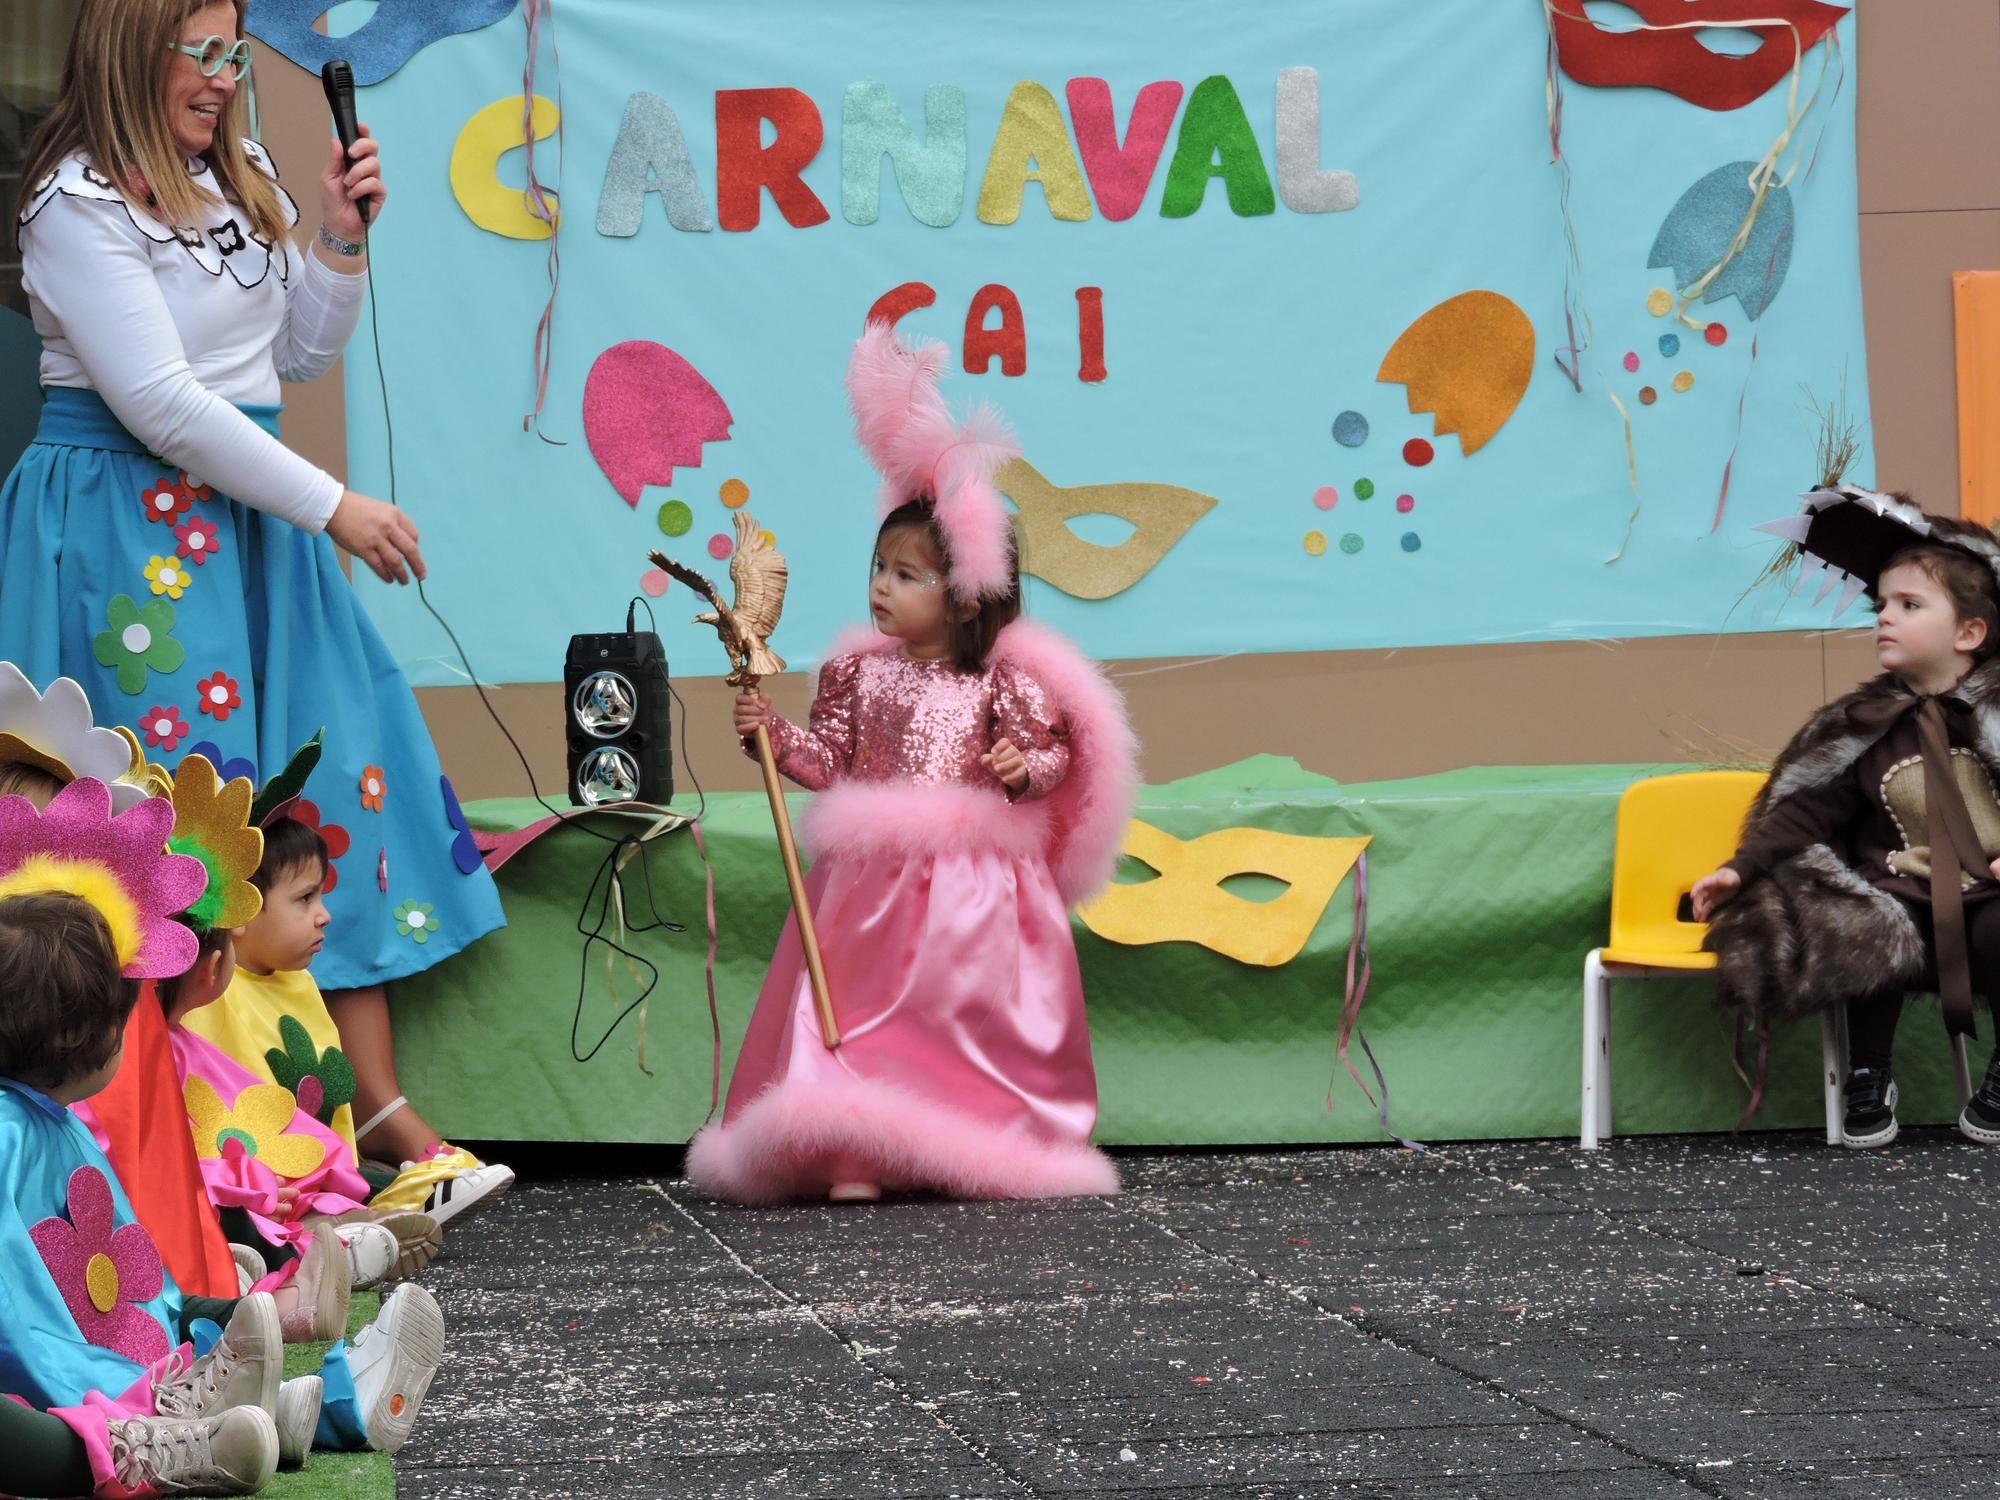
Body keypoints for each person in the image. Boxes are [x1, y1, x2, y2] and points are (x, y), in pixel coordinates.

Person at [0, 0, 507, 1191]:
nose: (225, 78)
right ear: (134, 48)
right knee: (177, 831)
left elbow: (290, 359)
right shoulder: (76, 203)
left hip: (241, 521)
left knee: (314, 794)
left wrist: (335, 240)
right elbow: (164, 404)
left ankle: (357, 1123)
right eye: (204, 52)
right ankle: (188, 1162)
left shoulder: (229, 177)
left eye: (235, 54)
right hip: (131, 534)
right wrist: (333, 504)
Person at [686, 323, 1138, 1204]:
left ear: (967, 590)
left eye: (908, 574)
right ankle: (852, 1148)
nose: (881, 587)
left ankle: (977, 1140)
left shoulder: (1005, 676)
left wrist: (1021, 769)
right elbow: (832, 762)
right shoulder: (858, 671)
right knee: (850, 1013)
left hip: (976, 897)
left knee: (958, 1020)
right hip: (866, 891)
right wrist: (772, 739)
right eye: (878, 567)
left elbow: (1053, 755)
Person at [1692, 484, 2000, 1148]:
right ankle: (1868, 1072)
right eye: (1880, 604)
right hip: (1901, 888)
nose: (1884, 618)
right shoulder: (1861, 726)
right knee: (1864, 922)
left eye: (1909, 605)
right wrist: (1739, 870)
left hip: (1990, 895)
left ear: (1970, 632)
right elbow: (1802, 809)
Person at [184, 812, 513, 1223]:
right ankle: (396, 1207)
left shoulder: (297, 981)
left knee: (355, 1192)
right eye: (305, 899)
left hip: (317, 1174)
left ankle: (397, 1202)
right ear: (241, 910)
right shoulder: (213, 991)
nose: (324, 915)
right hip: (260, 1187)